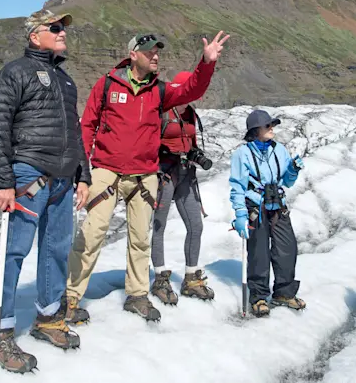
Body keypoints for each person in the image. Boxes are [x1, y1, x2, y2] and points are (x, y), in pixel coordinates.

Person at [66, 31, 230, 323]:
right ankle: (69, 297)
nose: (155, 56)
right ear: (133, 54)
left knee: (140, 238)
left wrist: (206, 63)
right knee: (92, 235)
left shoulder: (161, 91)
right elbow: (88, 124)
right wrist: (83, 170)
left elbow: (191, 91)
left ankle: (138, 295)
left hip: (144, 175)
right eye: (150, 51)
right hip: (107, 170)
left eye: (157, 52)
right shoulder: (107, 85)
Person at [0, 9, 91, 373]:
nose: (62, 33)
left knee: (56, 249)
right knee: (13, 251)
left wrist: (83, 175)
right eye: (55, 28)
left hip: (62, 177)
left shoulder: (66, 80)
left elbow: (75, 132)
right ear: (34, 36)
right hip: (28, 175)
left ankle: (47, 317)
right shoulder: (16, 72)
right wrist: (4, 182)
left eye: (63, 29)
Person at [229, 109, 306, 317]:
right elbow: (237, 186)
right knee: (258, 254)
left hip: (278, 205)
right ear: (255, 130)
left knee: (287, 249)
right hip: (256, 207)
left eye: (272, 125)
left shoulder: (279, 149)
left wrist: (293, 170)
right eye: (268, 126)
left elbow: (287, 182)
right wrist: (240, 215)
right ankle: (259, 296)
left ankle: (284, 292)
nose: (272, 129)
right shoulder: (242, 154)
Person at [149, 71, 215, 305]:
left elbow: (192, 143)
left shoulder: (190, 114)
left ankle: (191, 276)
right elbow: (148, 140)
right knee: (159, 225)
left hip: (186, 174)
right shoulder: (164, 110)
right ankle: (160, 277)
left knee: (195, 225)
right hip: (165, 173)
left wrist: (197, 156)